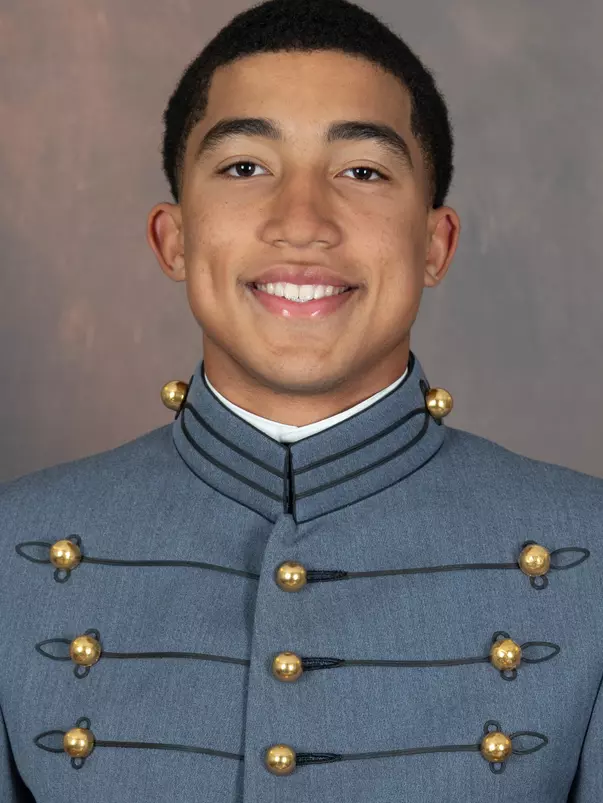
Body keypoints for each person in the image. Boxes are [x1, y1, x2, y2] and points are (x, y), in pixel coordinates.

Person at [1, 0, 601, 800]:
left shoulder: (586, 553)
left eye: (362, 171)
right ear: (173, 239)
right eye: (245, 167)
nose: (303, 222)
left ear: (434, 244)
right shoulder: (16, 550)